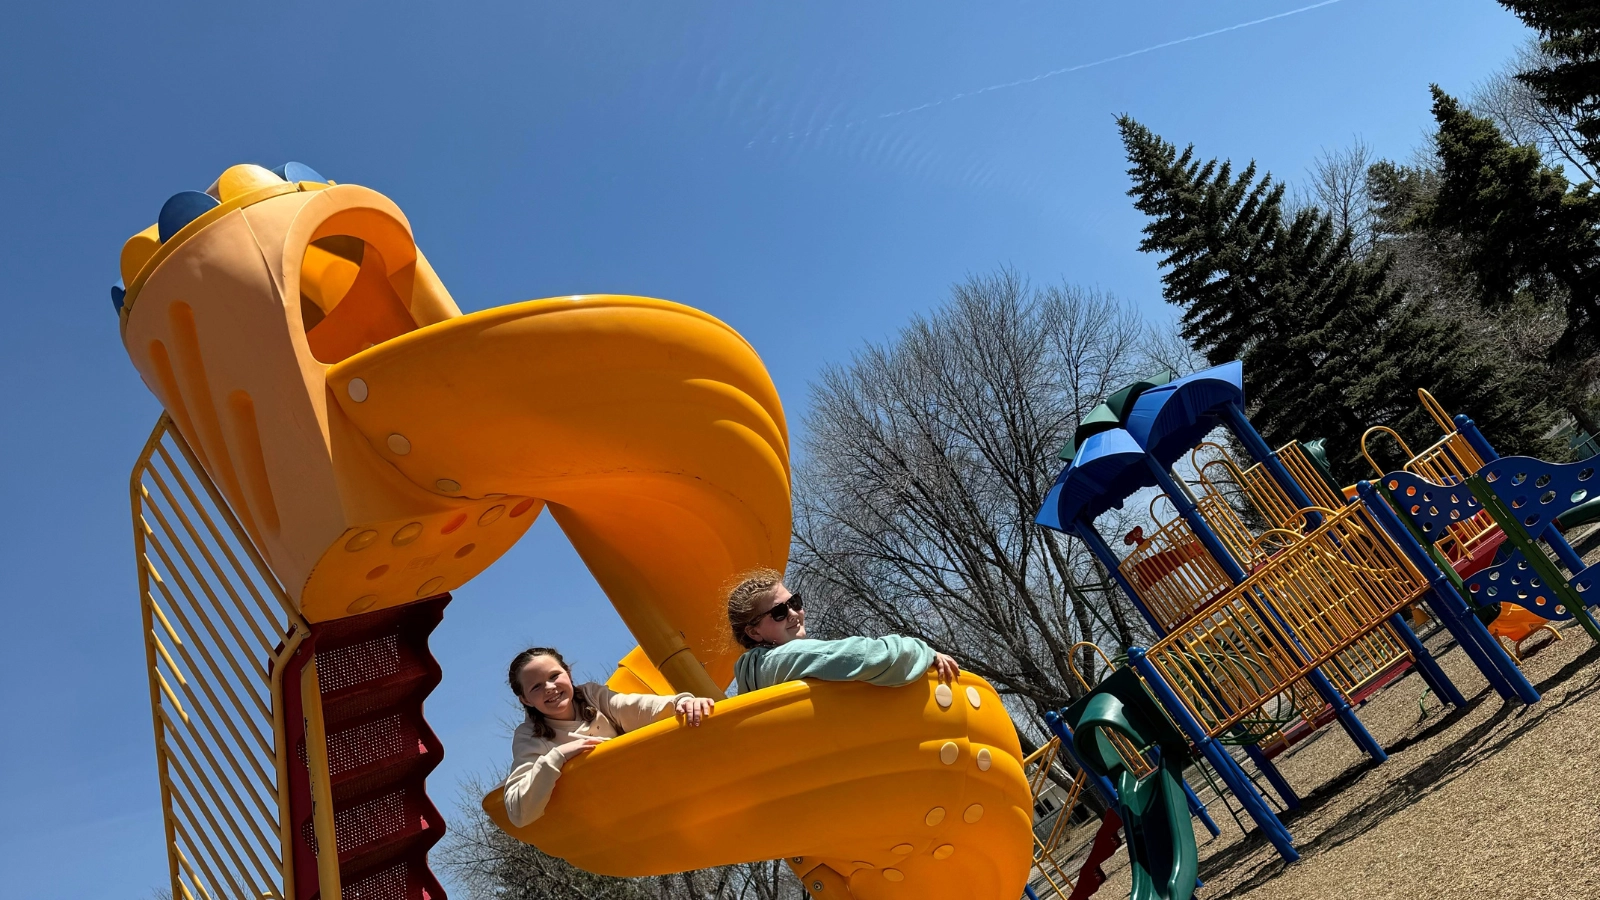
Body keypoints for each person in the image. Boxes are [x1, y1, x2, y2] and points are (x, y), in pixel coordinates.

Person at [501, 646, 715, 827]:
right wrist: (557, 757)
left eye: (554, 676)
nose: (549, 688)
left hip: (650, 791)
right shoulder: (530, 736)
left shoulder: (592, 696)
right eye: (536, 687)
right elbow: (519, 813)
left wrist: (680, 703)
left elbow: (634, 708)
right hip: (605, 818)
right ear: (525, 700)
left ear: (568, 673)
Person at [727, 568, 959, 693]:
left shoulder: (754, 676)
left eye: (794, 602)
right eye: (779, 612)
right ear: (754, 633)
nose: (793, 614)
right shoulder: (783, 658)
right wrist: (922, 651)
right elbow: (869, 657)